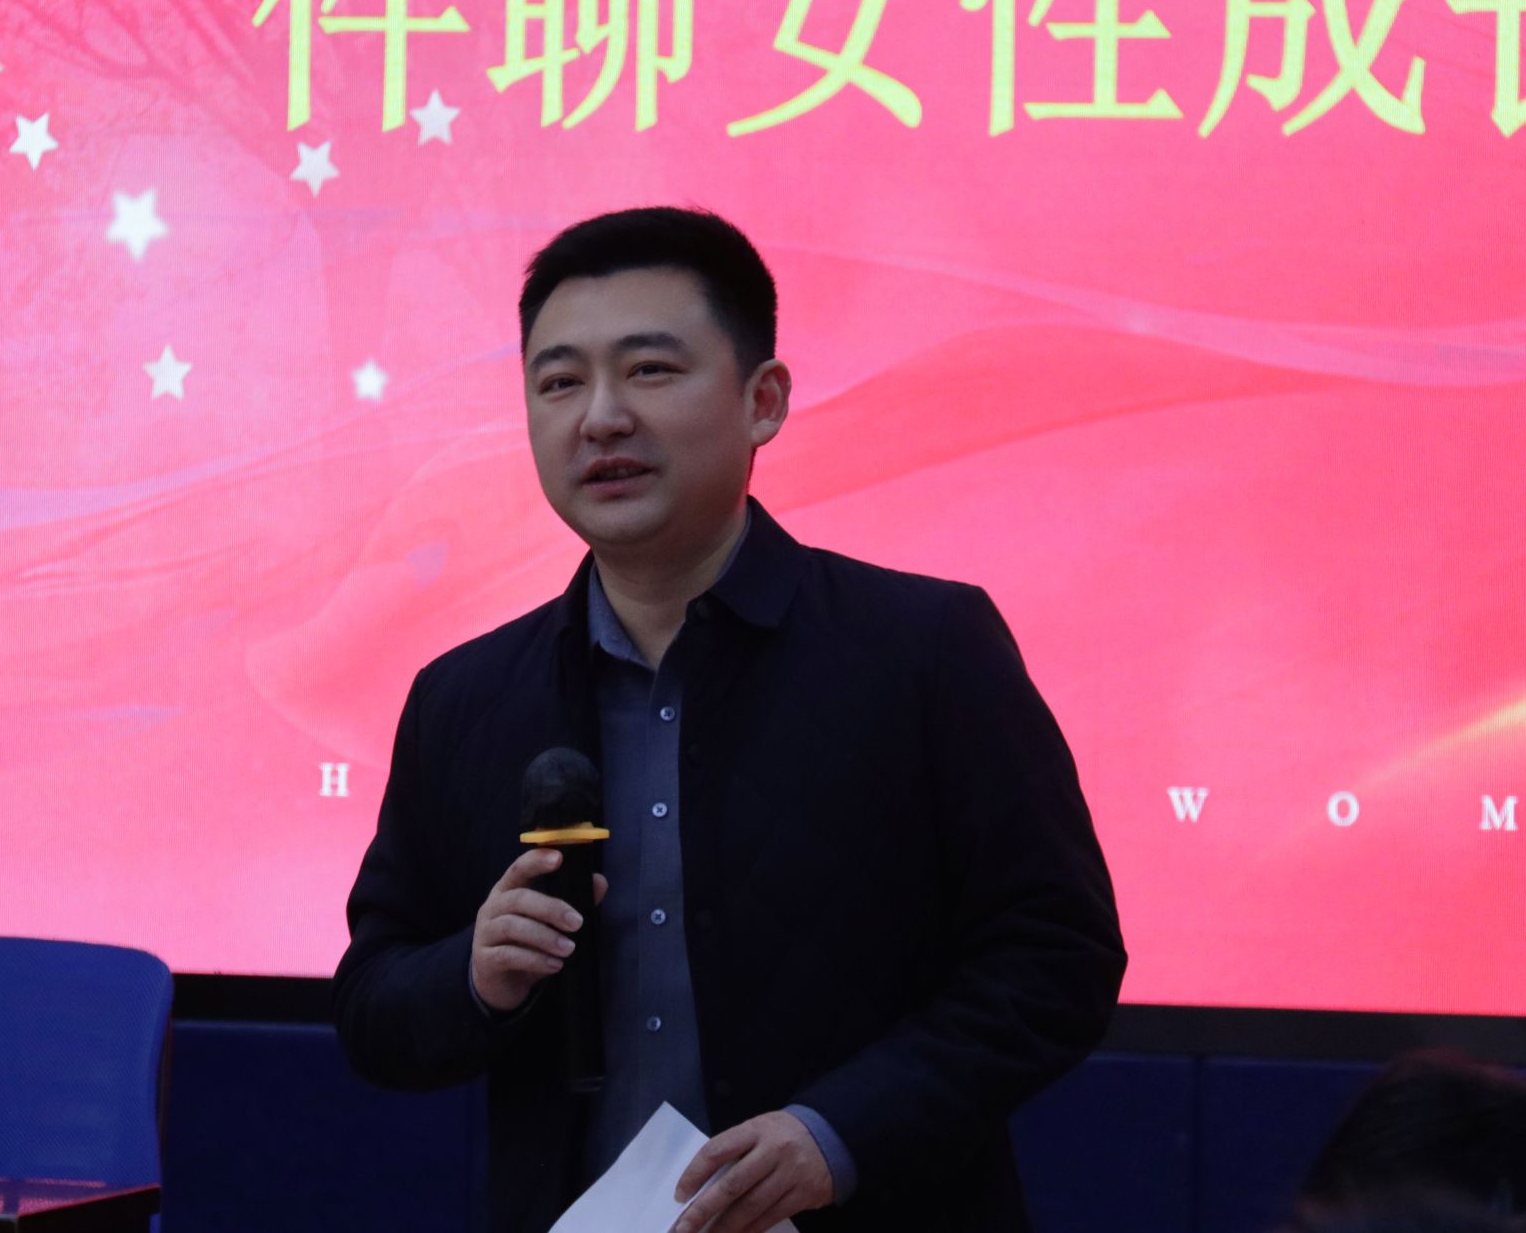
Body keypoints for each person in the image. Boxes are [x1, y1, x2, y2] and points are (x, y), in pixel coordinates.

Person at [332, 207, 1125, 1232]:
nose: (600, 418)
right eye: (559, 382)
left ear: (763, 401)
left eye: (650, 370)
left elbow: (1056, 956)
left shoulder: (923, 650)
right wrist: (474, 975)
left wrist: (836, 1135)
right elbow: (372, 1004)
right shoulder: (465, 698)